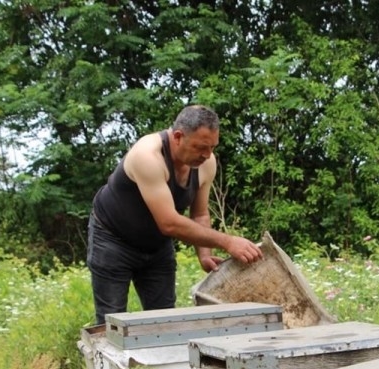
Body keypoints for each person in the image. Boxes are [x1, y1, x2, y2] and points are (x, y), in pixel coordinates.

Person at [87, 104, 263, 325]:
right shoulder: (147, 156)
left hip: (157, 246)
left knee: (165, 321)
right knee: (109, 323)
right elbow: (169, 223)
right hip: (113, 240)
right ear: (178, 136)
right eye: (201, 147)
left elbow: (199, 214)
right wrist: (228, 242)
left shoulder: (207, 163)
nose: (207, 155)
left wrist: (205, 254)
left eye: (212, 147)